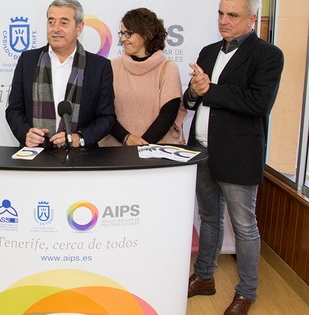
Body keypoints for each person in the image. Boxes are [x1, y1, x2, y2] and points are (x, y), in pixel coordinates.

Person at [184, 0, 284, 314]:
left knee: (244, 227)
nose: (224, 20)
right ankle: (204, 277)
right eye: (220, 14)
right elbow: (191, 99)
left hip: (239, 154)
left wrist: (208, 89)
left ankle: (246, 293)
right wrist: (195, 92)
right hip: (202, 151)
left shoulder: (268, 55)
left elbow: (258, 103)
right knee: (209, 219)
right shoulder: (209, 51)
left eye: (232, 15)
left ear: (252, 19)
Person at [6, 0, 115, 149]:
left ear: (79, 28)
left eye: (64, 23)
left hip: (82, 158)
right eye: (51, 22)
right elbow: (14, 110)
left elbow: (106, 118)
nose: (55, 29)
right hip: (35, 155)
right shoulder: (28, 60)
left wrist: (80, 138)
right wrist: (25, 134)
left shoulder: (99, 66)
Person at [100, 8, 187, 147]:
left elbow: (168, 115)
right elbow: (104, 111)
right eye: (121, 33)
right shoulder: (111, 66)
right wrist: (127, 138)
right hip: (114, 153)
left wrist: (142, 146)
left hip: (156, 154)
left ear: (146, 34)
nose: (123, 39)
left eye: (128, 33)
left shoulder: (168, 68)